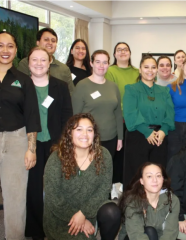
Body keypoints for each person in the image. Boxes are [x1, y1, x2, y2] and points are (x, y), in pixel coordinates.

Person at [43, 113, 121, 240]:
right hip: (60, 217)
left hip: (91, 212)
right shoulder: (57, 158)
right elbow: (53, 198)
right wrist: (79, 219)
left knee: (112, 212)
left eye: (89, 130)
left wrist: (83, 214)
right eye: (79, 129)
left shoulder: (104, 155)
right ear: (69, 132)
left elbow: (103, 190)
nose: (85, 134)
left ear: (94, 134)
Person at [25, 46, 73, 239]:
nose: (39, 63)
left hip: (55, 144)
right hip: (30, 145)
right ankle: (36, 231)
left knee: (57, 188)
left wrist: (61, 143)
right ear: (28, 63)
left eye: (43, 60)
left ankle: (57, 227)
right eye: (34, 60)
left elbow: (67, 117)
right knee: (33, 189)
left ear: (49, 62)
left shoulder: (60, 86)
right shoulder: (22, 86)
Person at [0, 31, 41, 239]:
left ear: (16, 51)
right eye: (0, 45)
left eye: (10, 46)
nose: (5, 50)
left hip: (16, 141)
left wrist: (31, 149)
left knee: (14, 198)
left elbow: (32, 117)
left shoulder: (23, 80)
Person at [123, 54, 175, 189]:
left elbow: (170, 113)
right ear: (140, 69)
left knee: (157, 176)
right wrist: (147, 132)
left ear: (157, 70)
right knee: (136, 175)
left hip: (160, 138)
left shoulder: (164, 91)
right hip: (138, 136)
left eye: (153, 67)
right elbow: (130, 113)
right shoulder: (131, 89)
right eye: (146, 67)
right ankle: (133, 205)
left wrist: (164, 130)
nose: (150, 70)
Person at [72, 50, 123, 161]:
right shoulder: (82, 85)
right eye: (98, 62)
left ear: (108, 64)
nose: (101, 65)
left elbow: (118, 114)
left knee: (106, 172)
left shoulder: (113, 86)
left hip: (111, 138)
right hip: (88, 139)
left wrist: (120, 138)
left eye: (105, 62)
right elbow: (75, 116)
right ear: (91, 63)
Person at [105, 42, 139, 185]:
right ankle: (115, 185)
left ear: (130, 53)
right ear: (114, 54)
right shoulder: (110, 71)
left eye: (125, 49)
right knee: (117, 155)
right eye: (119, 50)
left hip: (135, 120)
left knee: (131, 156)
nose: (122, 52)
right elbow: (111, 95)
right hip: (118, 119)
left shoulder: (138, 72)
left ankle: (130, 185)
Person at [118, 162, 180, 240]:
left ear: (163, 179)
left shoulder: (172, 200)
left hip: (159, 237)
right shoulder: (133, 201)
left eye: (158, 176)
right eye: (149, 176)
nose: (155, 180)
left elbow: (171, 231)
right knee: (150, 231)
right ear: (142, 181)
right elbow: (136, 234)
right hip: (133, 237)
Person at [18, 27, 75, 93]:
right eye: (46, 40)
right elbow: (19, 90)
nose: (50, 43)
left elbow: (71, 94)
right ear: (38, 43)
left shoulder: (64, 69)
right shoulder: (25, 63)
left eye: (53, 41)